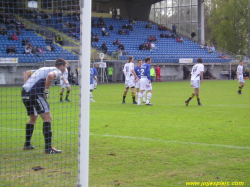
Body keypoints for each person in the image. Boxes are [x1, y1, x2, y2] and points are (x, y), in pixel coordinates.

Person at [21, 58, 67, 154]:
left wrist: (27, 85)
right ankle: (48, 148)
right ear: (62, 66)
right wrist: (46, 90)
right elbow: (50, 76)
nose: (65, 69)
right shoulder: (57, 71)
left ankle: (27, 144)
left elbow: (25, 73)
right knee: (47, 117)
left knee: (33, 117)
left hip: (24, 92)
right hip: (35, 93)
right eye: (65, 67)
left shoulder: (42, 68)